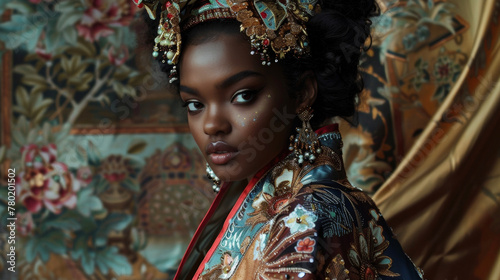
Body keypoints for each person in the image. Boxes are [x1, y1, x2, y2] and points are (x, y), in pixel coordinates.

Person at [135, 0, 424, 278]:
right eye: (195, 104)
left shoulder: (311, 215)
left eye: (243, 96)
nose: (212, 125)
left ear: (302, 93)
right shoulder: (279, 209)